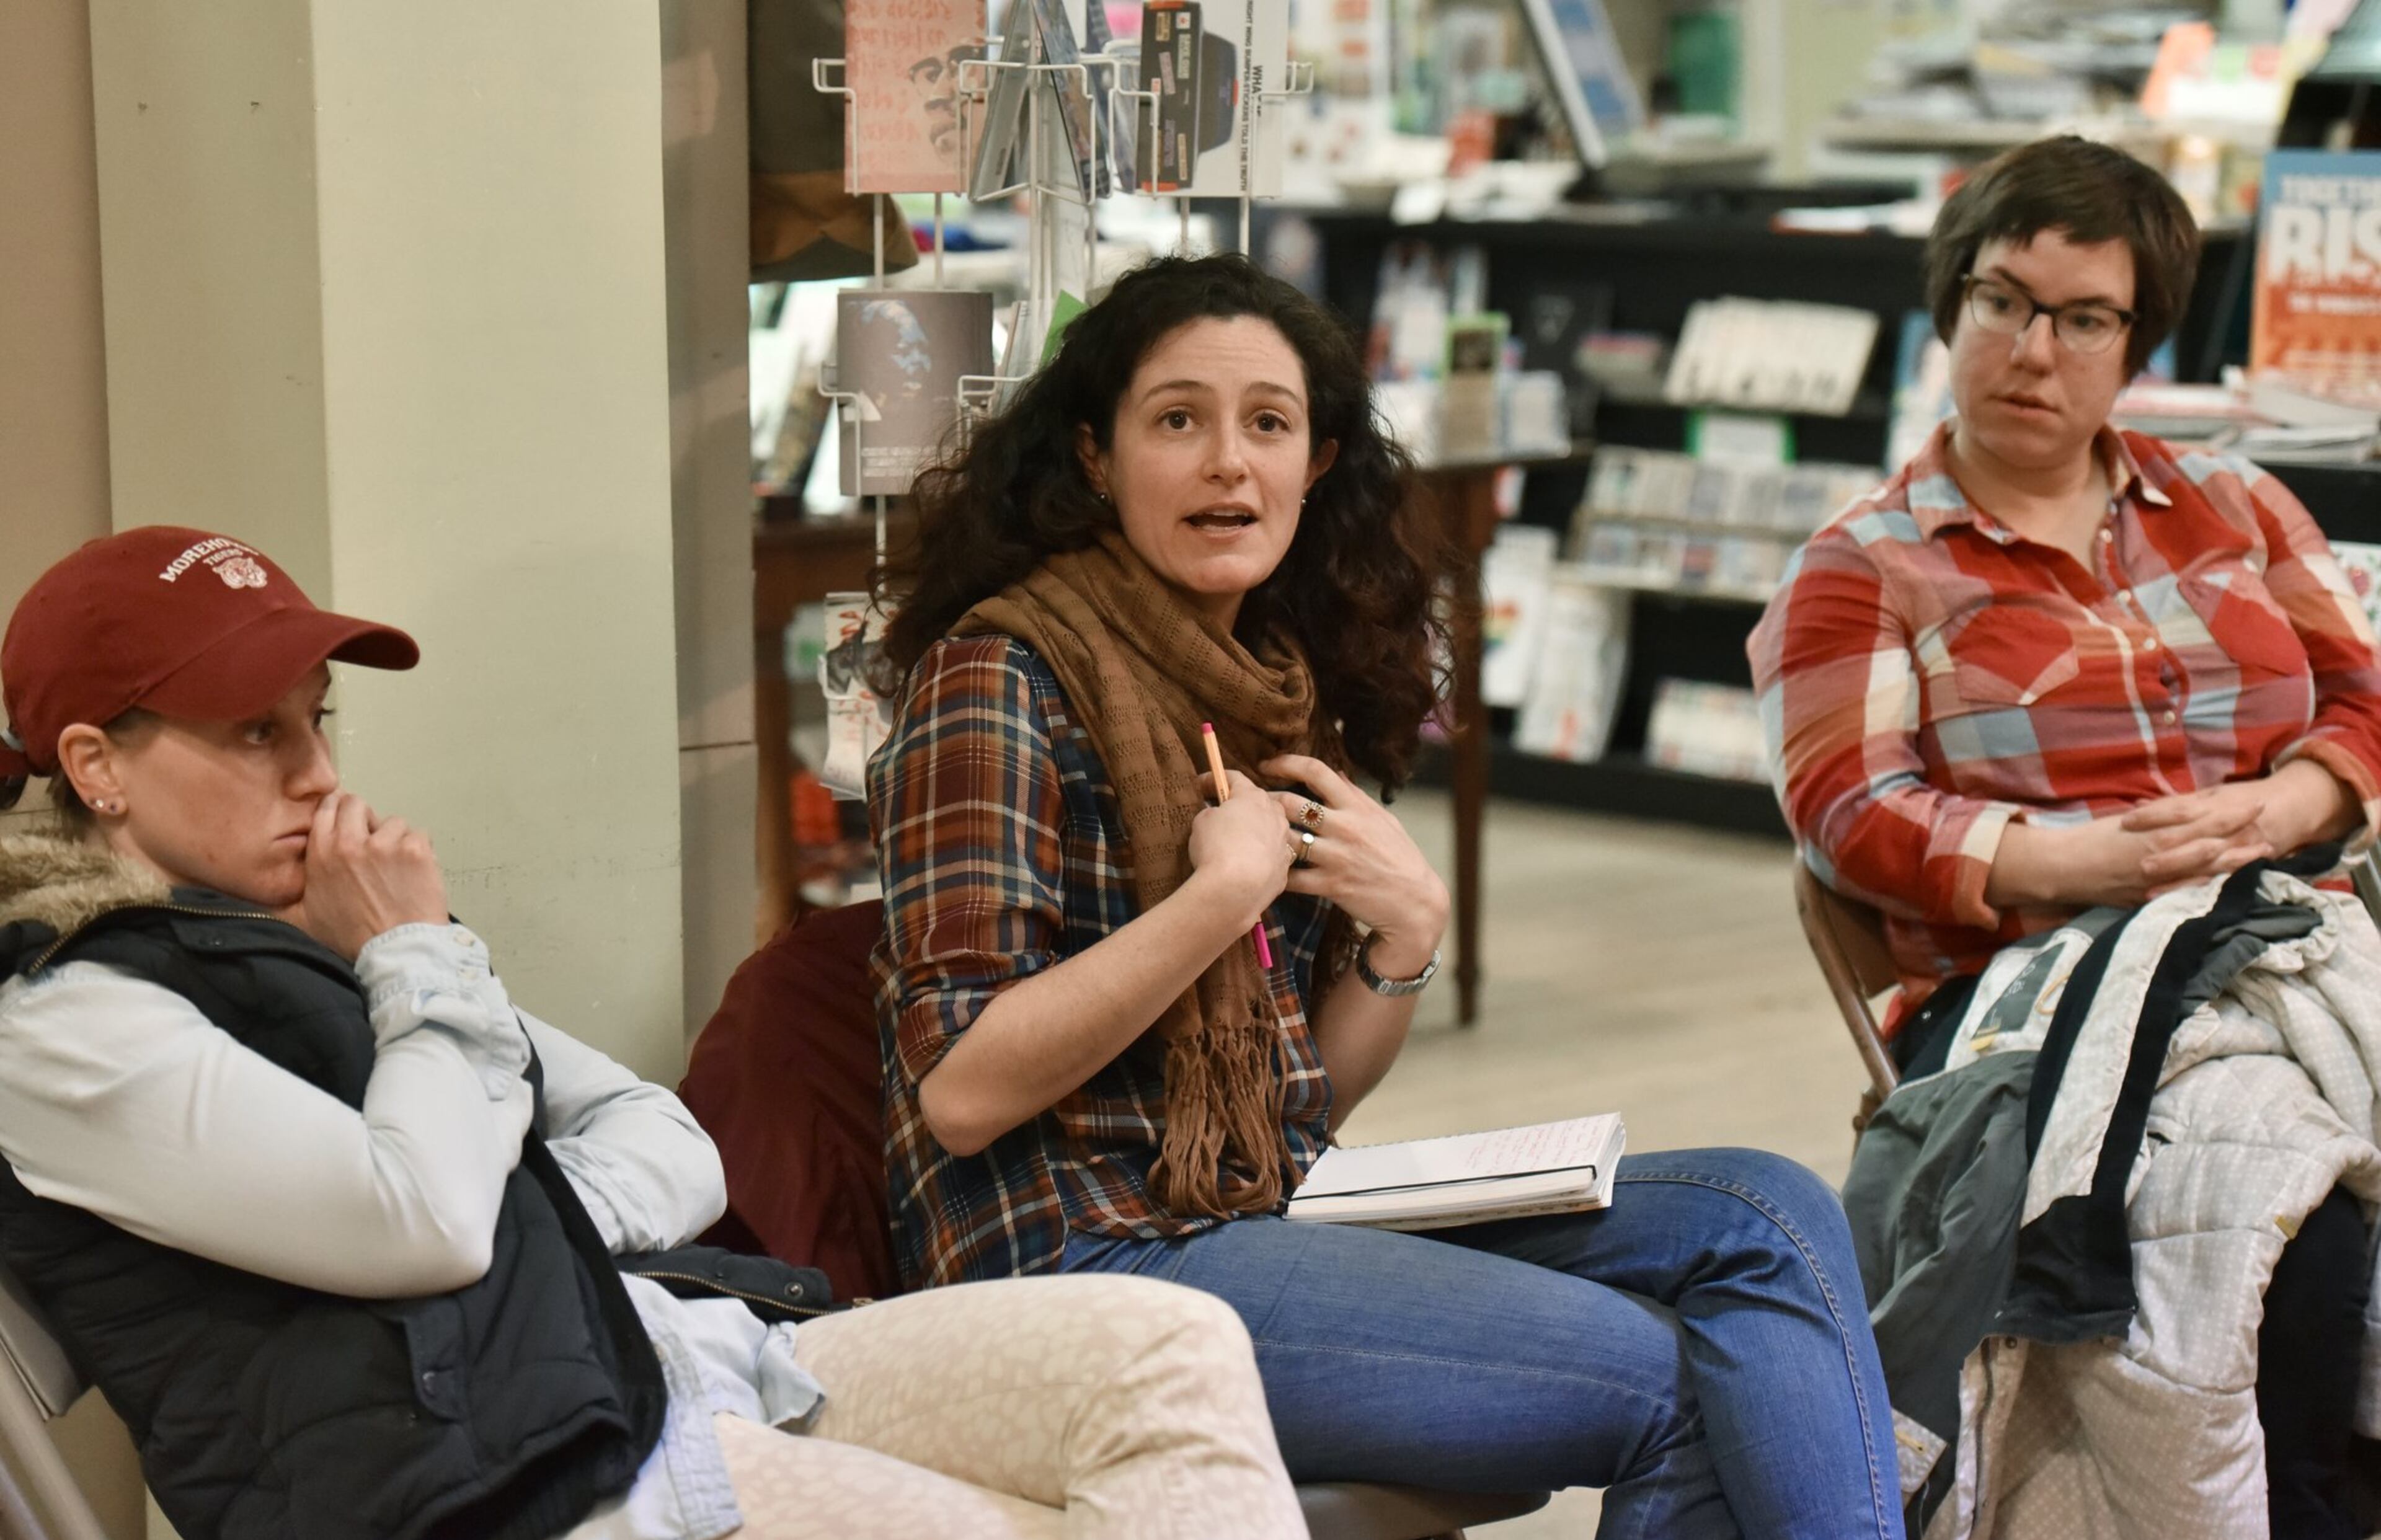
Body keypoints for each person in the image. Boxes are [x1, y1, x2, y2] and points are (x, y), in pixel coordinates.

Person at [867, 252, 1904, 1539]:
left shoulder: (1271, 683)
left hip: (1253, 1209)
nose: (1228, 465)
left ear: (1318, 460)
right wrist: (1212, 903)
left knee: (1767, 1214)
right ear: (1094, 455)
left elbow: (1303, 1107)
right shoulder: (1000, 678)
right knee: (1674, 1378)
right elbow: (962, 1093)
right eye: (1176, 421)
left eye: (1268, 424)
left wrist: (1406, 942)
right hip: (1080, 1261)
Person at [0, 526, 1307, 1540]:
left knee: (1166, 1348)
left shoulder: (290, 930)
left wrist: (516, 1201)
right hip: (532, 1484)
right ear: (98, 767)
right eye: (254, 733)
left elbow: (666, 1143)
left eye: (315, 719)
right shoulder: (65, 1024)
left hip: (665, 1361)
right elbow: (431, 1218)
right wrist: (413, 959)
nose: (321, 774)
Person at [1749, 135, 2381, 1538]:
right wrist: (2087, 862)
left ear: (2135, 343)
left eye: (2083, 317)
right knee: (2305, 1236)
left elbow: (2362, 700)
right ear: (1953, 309)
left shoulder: (2233, 501)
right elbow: (1851, 813)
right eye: (2003, 301)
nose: (2035, 349)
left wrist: (2290, 806)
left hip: (2290, 940)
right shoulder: (1868, 564)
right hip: (2030, 993)